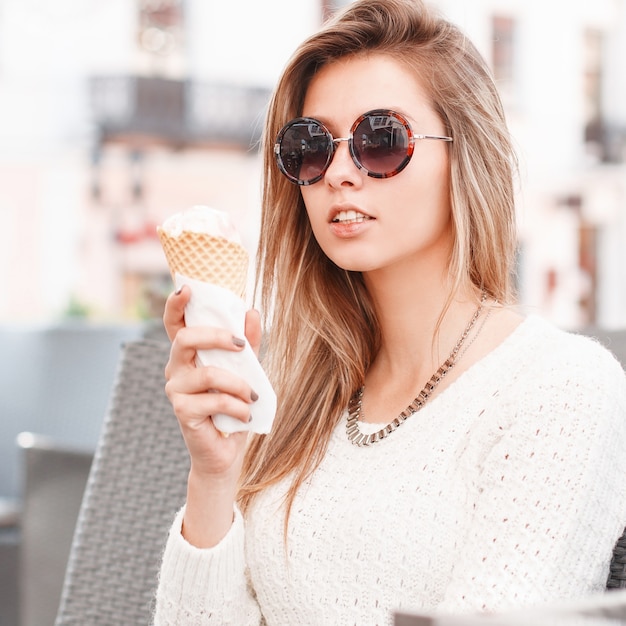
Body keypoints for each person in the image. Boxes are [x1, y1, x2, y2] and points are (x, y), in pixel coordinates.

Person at [154, 0, 626, 624]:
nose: (340, 174)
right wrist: (214, 475)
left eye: (380, 140)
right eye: (310, 147)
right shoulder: (301, 398)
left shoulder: (562, 389)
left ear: (465, 155)